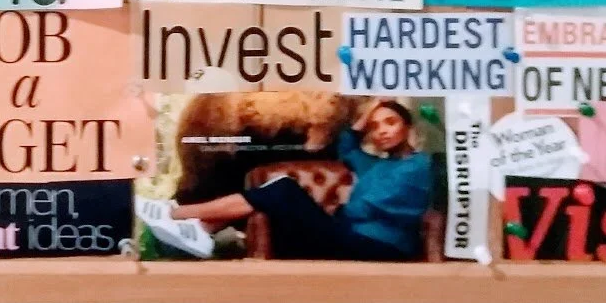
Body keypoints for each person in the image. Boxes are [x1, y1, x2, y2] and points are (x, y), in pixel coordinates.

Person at [136, 99, 432, 261]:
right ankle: (201, 229)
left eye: (391, 123)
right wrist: (368, 113)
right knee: (276, 196)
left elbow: (364, 208)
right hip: (351, 237)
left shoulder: (419, 165)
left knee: (284, 190)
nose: (382, 131)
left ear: (407, 127)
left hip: (381, 247)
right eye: (376, 127)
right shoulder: (375, 164)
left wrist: (339, 211)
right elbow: (347, 145)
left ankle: (175, 213)